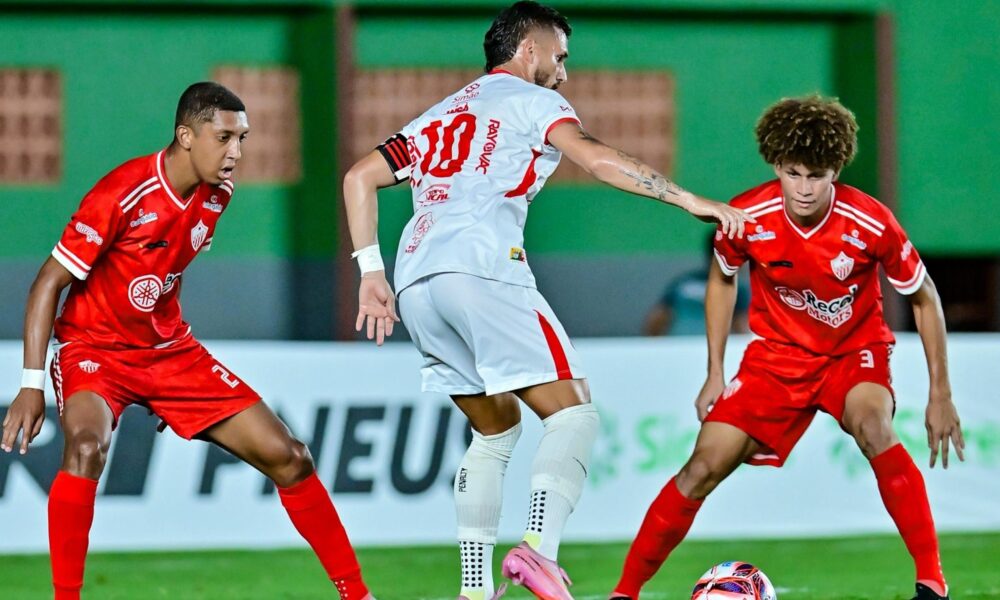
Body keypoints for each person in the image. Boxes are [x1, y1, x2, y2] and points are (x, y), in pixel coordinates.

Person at [342, 3, 751, 599]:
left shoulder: (440, 114)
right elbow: (597, 159)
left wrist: (370, 271)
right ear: (528, 49)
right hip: (482, 267)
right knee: (573, 415)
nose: (563, 72)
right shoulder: (532, 101)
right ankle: (538, 550)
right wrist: (691, 200)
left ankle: (474, 590)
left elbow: (358, 177)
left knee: (494, 432)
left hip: (416, 280)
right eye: (559, 57)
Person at [0, 82, 372, 600]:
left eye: (242, 138)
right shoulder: (122, 193)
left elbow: (163, 271)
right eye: (224, 137)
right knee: (85, 447)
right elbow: (47, 282)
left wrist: (164, 381)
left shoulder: (218, 194)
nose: (235, 152)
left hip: (169, 354)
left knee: (290, 455)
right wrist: (30, 384)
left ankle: (358, 594)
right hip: (94, 351)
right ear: (186, 136)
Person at [610, 96, 964, 600]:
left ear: (836, 170)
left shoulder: (872, 222)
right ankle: (624, 593)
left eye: (816, 176)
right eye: (793, 173)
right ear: (776, 164)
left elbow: (924, 298)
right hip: (777, 358)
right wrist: (715, 371)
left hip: (854, 354)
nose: (803, 188)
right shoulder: (747, 214)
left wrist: (940, 393)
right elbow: (722, 279)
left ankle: (932, 582)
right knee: (702, 466)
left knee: (873, 426)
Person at [643, 231, 750, 336]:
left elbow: (655, 322)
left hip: (679, 344)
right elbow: (742, 328)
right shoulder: (737, 289)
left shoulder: (684, 282)